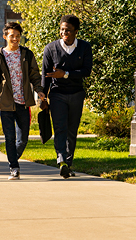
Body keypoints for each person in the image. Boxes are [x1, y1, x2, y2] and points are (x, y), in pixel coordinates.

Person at [0, 22, 46, 180]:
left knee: (23, 138)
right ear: (5, 36)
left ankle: (12, 158)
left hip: (23, 102)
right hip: (5, 103)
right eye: (12, 36)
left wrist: (39, 90)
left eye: (18, 36)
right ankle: (14, 167)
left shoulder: (27, 54)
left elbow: (34, 74)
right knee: (10, 137)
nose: (15, 39)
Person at [41, 15, 93, 179]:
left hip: (77, 93)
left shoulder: (85, 47)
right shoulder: (50, 49)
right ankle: (62, 160)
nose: (64, 32)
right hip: (57, 94)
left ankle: (68, 165)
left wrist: (65, 74)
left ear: (76, 31)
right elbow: (46, 75)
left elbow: (86, 71)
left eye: (68, 30)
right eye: (62, 29)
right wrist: (43, 97)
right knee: (60, 128)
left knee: (72, 130)